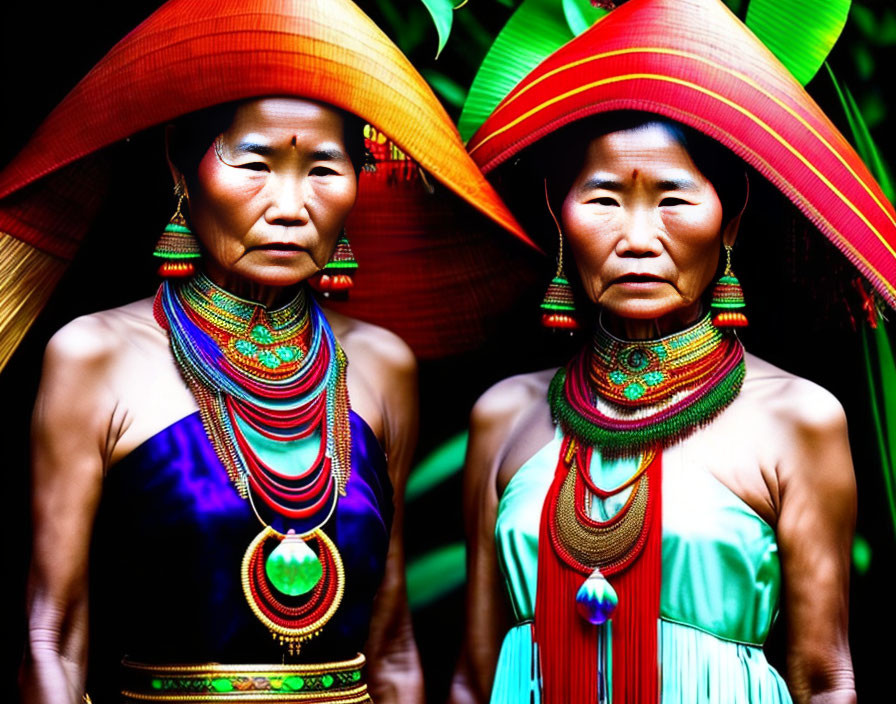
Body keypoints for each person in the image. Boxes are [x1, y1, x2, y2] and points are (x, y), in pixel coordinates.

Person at [3, 1, 523, 703]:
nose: (290, 203)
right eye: (255, 162)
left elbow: (392, 643)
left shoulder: (379, 367)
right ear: (181, 170)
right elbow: (51, 640)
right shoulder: (95, 357)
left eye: (323, 168)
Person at [451, 0, 896, 702]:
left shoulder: (799, 419)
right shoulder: (505, 418)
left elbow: (824, 677)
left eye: (672, 199)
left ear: (731, 215)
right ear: (556, 211)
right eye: (603, 199)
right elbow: (472, 682)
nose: (637, 236)